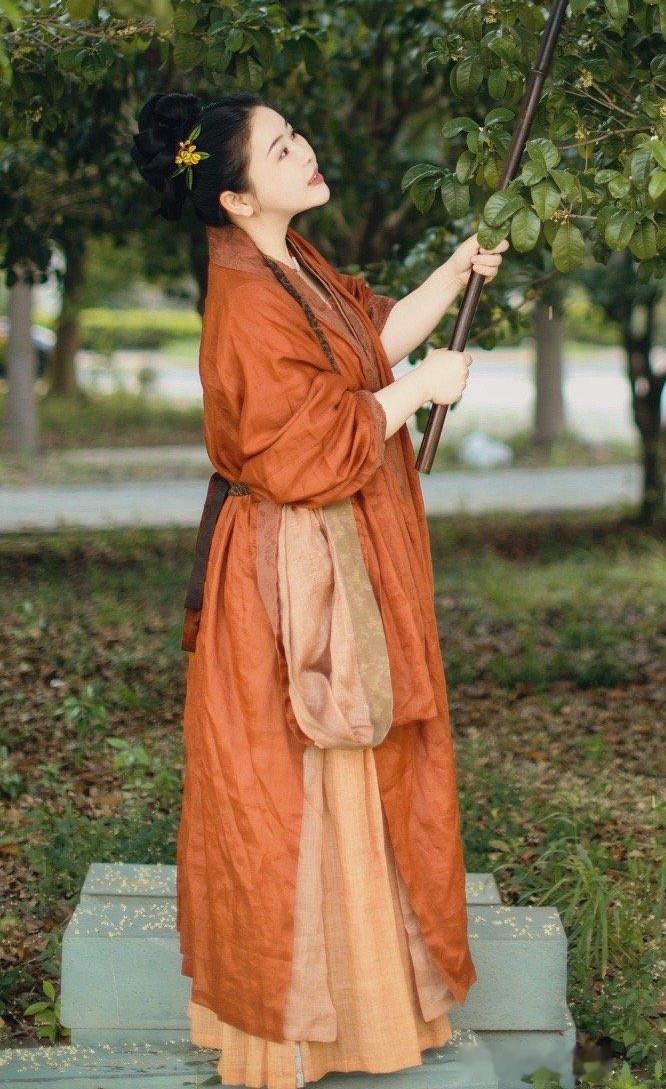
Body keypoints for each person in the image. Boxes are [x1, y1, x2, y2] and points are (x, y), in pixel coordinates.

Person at [129, 90, 508, 1089]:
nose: (308, 152)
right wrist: (419, 392)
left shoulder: (287, 264)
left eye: (300, 136)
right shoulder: (245, 298)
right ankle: (294, 1032)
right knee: (301, 786)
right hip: (293, 581)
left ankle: (367, 1017)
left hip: (339, 553)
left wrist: (457, 269)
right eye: (283, 148)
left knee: (355, 775)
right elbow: (309, 451)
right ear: (236, 194)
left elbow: (369, 343)